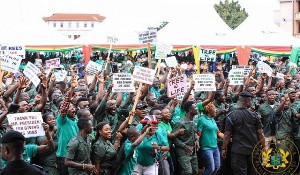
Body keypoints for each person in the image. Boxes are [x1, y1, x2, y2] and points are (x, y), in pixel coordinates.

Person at [222, 91, 266, 175]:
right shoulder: (254, 115)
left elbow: (227, 134)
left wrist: (224, 148)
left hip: (239, 150)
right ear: (247, 101)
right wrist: (264, 147)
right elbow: (260, 133)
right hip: (253, 149)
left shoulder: (231, 115)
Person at [197, 103, 224, 175]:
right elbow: (198, 133)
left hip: (215, 147)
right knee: (211, 168)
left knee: (217, 167)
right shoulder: (202, 120)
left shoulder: (212, 120)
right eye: (214, 109)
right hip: (206, 148)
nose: (216, 111)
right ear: (209, 110)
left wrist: (229, 138)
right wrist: (197, 142)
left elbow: (218, 133)